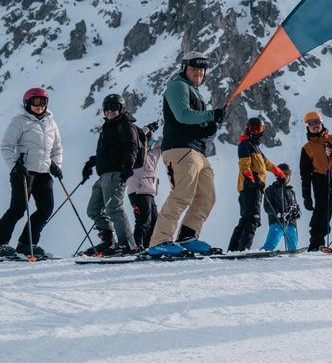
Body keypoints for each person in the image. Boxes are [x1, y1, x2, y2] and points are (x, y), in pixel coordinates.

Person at [149, 51, 226, 257]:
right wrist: (211, 115)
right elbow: (183, 115)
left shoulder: (194, 90)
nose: (198, 72)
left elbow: (194, 123)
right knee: (182, 194)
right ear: (184, 68)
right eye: (194, 68)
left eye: (202, 69)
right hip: (180, 149)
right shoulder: (178, 86)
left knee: (207, 196)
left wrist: (208, 127)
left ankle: (188, 236)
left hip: (197, 151)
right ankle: (160, 240)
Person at [0, 87, 63, 258]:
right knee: (18, 208)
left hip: (44, 172)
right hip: (23, 172)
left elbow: (57, 148)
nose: (39, 106)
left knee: (46, 209)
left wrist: (56, 165)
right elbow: (6, 147)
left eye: (43, 102)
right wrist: (15, 166)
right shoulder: (19, 121)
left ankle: (26, 243)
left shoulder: (51, 123)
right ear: (27, 103)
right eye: (35, 102)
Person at [80, 94, 139, 255]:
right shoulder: (108, 127)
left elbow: (131, 147)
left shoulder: (125, 126)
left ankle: (128, 244)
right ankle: (108, 240)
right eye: (107, 108)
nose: (110, 111)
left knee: (114, 208)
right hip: (104, 175)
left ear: (121, 109)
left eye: (114, 107)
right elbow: (107, 152)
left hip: (116, 173)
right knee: (93, 209)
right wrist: (91, 163)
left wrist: (127, 167)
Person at [300, 111, 332, 250]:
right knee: (321, 215)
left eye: (317, 122)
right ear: (307, 127)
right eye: (311, 123)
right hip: (321, 182)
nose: (315, 126)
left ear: (322, 123)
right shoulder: (307, 149)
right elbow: (305, 175)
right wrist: (306, 196)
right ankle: (316, 244)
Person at [229, 117, 273, 252]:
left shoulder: (256, 149)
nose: (255, 132)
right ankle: (244, 249)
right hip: (250, 188)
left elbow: (268, 165)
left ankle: (234, 250)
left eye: (258, 129)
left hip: (254, 188)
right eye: (252, 129)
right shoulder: (245, 144)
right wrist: (255, 181)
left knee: (246, 219)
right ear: (248, 129)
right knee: (253, 219)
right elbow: (244, 166)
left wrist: (281, 175)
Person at [127, 122, 161, 249]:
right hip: (138, 192)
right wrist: (147, 129)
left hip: (150, 193)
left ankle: (149, 246)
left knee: (155, 222)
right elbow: (135, 136)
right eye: (148, 141)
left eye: (151, 142)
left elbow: (164, 146)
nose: (150, 145)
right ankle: (137, 245)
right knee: (143, 221)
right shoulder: (136, 152)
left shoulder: (152, 155)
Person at [262, 164, 300, 251]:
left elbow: (296, 206)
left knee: (293, 248)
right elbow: (267, 206)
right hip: (278, 223)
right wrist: (279, 214)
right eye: (284, 173)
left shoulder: (291, 192)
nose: (286, 176)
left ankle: (292, 259)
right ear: (278, 175)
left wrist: (297, 212)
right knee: (269, 247)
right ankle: (259, 255)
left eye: (288, 173)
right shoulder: (271, 189)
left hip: (291, 224)